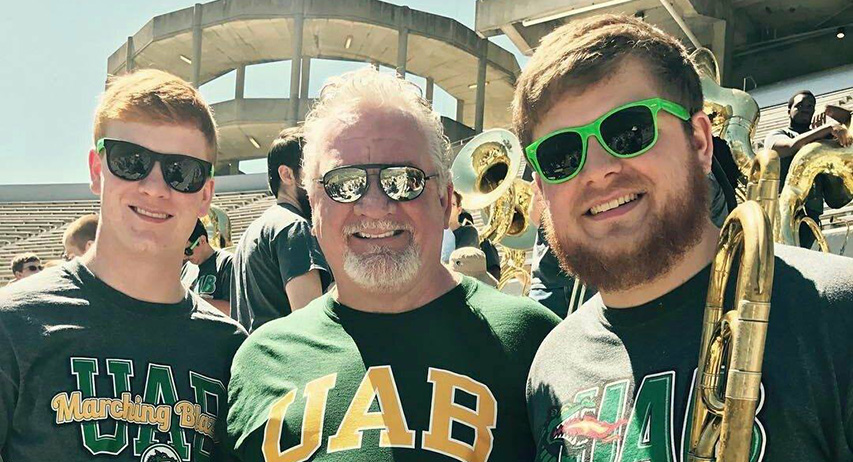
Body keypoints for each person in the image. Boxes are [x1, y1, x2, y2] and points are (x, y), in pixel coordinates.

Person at [513, 15, 853, 461]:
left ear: (700, 142)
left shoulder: (840, 311)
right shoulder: (551, 367)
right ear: (542, 190)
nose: (597, 170)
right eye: (560, 155)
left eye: (629, 131)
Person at [224, 68, 560, 461]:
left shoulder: (538, 343)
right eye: (344, 183)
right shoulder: (260, 362)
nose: (374, 206)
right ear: (314, 208)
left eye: (404, 180)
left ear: (445, 200)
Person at [0, 69, 247, 461]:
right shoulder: (13, 325)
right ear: (97, 171)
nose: (154, 187)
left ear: (206, 195)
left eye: (182, 172)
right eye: (131, 161)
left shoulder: (232, 350)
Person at [230, 128, 332, 332]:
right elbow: (311, 325)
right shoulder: (294, 227)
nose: (321, 184)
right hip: (286, 351)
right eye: (314, 174)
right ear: (287, 174)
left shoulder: (254, 231)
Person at [764, 90, 853, 249]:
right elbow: (789, 147)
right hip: (782, 210)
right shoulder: (777, 134)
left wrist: (829, 110)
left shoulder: (824, 137)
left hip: (811, 212)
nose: (806, 109)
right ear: (789, 110)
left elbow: (848, 121)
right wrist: (827, 128)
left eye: (810, 106)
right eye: (800, 105)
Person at [182, 219, 233, 315]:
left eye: (187, 251)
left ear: (202, 240)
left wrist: (194, 301)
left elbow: (234, 309)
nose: (184, 257)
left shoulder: (228, 263)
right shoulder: (186, 268)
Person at [440, 191, 479, 262]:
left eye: (452, 204)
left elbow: (461, 261)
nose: (447, 208)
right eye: (444, 203)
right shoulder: (434, 233)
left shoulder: (469, 232)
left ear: (459, 210)